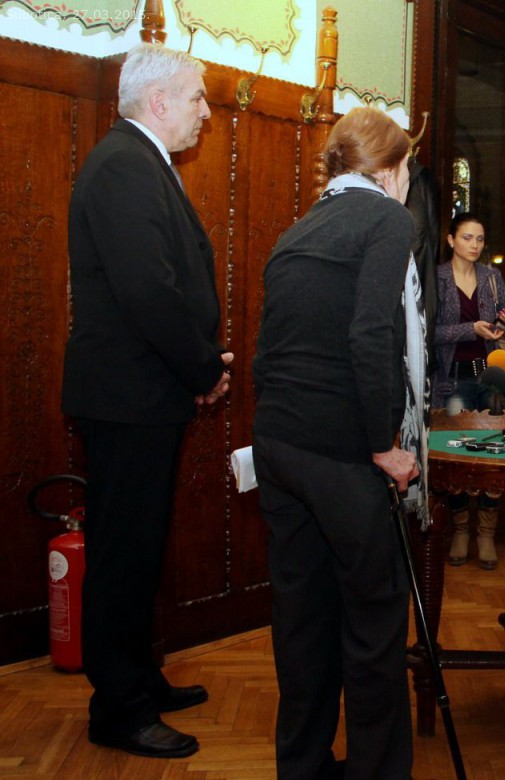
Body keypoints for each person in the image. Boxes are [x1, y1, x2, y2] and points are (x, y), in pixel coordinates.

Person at [61, 43, 231, 759]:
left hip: (143, 395)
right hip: (128, 397)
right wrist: (202, 367)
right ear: (158, 101)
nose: (204, 112)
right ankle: (118, 709)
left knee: (140, 549)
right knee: (123, 554)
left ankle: (138, 679)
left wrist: (196, 366)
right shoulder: (124, 166)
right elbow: (148, 293)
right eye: (196, 97)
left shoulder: (139, 162)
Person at [252, 107, 421, 779]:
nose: (408, 182)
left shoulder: (297, 229)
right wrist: (383, 444)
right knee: (375, 624)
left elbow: (271, 347)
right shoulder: (387, 219)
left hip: (280, 446)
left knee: (301, 621)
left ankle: (301, 767)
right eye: (408, 169)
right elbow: (370, 334)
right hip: (342, 452)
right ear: (390, 170)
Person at [433, 212, 505, 568]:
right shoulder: (436, 278)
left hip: (491, 377)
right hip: (452, 379)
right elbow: (429, 332)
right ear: (451, 240)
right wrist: (471, 329)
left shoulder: (491, 277)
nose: (474, 245)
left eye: (480, 239)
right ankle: (460, 530)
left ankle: (485, 533)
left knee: (493, 456)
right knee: (456, 455)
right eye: (467, 237)